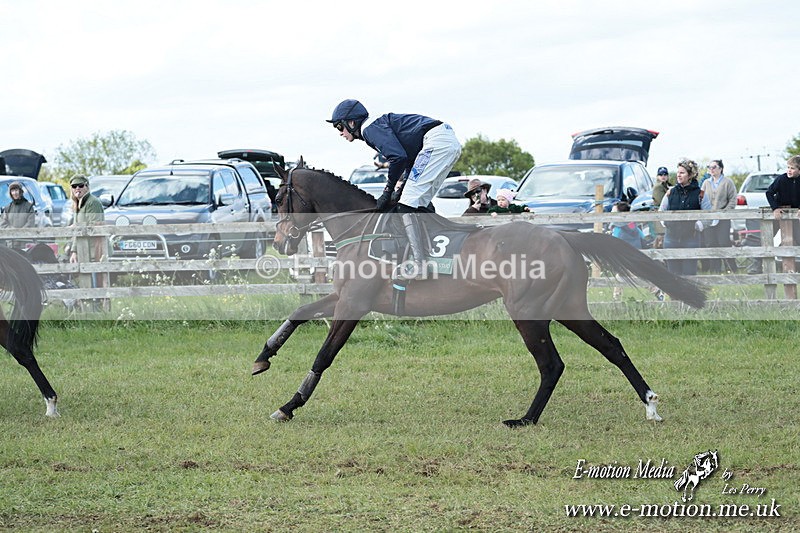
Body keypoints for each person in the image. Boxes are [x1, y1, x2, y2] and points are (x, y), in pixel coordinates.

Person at [328, 99, 462, 280]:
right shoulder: (375, 126)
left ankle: (419, 264)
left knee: (406, 204)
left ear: (351, 122)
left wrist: (387, 191)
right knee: (418, 203)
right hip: (445, 141)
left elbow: (397, 158)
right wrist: (401, 186)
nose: (340, 133)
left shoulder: (368, 129)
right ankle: (435, 255)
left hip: (436, 142)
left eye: (339, 127)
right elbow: (408, 159)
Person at [659, 159, 711, 275]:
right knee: (673, 275)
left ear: (690, 175)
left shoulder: (701, 194)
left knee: (689, 274)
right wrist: (666, 222)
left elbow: (709, 216)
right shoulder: (670, 192)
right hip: (671, 239)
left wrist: (697, 225)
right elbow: (661, 211)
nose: (678, 175)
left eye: (682, 172)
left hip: (691, 239)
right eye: (678, 172)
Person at [68, 175, 107, 295]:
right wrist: (74, 250)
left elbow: (94, 227)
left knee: (97, 280)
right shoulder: (78, 204)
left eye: (80, 185)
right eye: (74, 186)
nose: (77, 188)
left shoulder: (92, 202)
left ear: (87, 187)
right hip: (83, 248)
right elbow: (78, 231)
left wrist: (77, 227)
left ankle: (97, 302)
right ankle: (88, 301)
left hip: (95, 248)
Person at [700, 159, 738, 273]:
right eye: (709, 167)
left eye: (714, 167)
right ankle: (715, 270)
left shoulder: (727, 182)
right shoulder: (706, 183)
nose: (711, 169)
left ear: (720, 169)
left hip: (722, 218)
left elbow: (733, 199)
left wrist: (725, 212)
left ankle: (731, 268)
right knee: (710, 243)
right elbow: (701, 198)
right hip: (709, 218)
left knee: (723, 242)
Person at [1, 181, 35, 250]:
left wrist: (19, 233)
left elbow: (30, 224)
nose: (15, 193)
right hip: (11, 244)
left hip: (25, 243)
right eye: (12, 191)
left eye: (16, 190)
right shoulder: (7, 208)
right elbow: (3, 224)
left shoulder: (29, 207)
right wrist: (13, 231)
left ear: (20, 191)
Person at [650, 167, 671, 248]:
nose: (663, 176)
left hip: (663, 215)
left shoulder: (666, 186)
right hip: (659, 215)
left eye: (665, 174)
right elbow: (661, 202)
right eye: (661, 174)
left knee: (663, 238)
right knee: (660, 239)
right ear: (657, 176)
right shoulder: (658, 187)